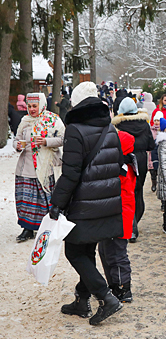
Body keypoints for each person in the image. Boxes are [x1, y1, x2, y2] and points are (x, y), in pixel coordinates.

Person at [49, 81, 123, 325]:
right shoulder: (110, 128)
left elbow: (71, 174)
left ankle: (106, 297)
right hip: (107, 202)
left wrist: (56, 203)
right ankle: (82, 301)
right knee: (87, 250)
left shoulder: (75, 129)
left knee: (74, 251)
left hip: (84, 205)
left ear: (77, 103)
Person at [13, 93, 65, 242]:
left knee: (44, 200)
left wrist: (46, 141)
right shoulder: (25, 121)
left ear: (42, 104)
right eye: (29, 106)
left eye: (34, 106)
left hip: (45, 167)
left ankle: (47, 228)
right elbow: (17, 138)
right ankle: (27, 228)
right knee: (25, 199)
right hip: (26, 167)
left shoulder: (53, 120)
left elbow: (63, 138)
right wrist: (16, 145)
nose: (31, 109)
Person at [98, 130, 137, 303]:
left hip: (119, 215)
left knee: (116, 252)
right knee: (106, 250)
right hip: (114, 214)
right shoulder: (124, 163)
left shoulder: (121, 169)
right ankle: (113, 284)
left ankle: (123, 287)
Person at [112, 97, 155, 243]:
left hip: (125, 160)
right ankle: (135, 221)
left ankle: (131, 226)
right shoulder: (144, 124)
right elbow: (151, 145)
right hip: (141, 160)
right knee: (138, 191)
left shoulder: (118, 126)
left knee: (126, 192)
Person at [149, 111, 162, 192]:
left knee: (159, 170)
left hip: (160, 152)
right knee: (152, 170)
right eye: (156, 120)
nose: (157, 122)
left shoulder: (163, 130)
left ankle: (160, 184)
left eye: (159, 120)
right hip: (151, 153)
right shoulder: (151, 130)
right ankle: (154, 183)